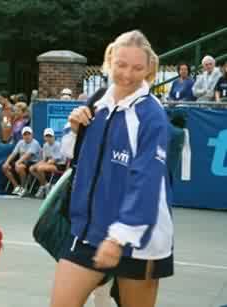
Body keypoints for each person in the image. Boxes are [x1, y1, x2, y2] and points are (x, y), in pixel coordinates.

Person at [50, 30, 174, 307]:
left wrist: (119, 238)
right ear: (109, 60)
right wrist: (73, 130)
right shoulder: (97, 101)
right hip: (87, 232)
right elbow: (73, 158)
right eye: (121, 64)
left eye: (137, 68)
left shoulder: (151, 114)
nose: (128, 75)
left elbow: (147, 181)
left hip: (139, 239)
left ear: (149, 69)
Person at [2, 126, 41, 196]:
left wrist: (18, 162)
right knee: (4, 167)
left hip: (33, 163)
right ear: (22, 136)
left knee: (20, 167)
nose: (27, 136)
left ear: (32, 135)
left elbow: (28, 155)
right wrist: (6, 162)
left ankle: (24, 188)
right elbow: (13, 153)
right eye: (25, 134)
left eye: (28, 134)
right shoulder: (20, 142)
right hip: (22, 162)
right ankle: (16, 186)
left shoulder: (35, 143)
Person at [30, 128, 66, 199]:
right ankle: (45, 185)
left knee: (40, 168)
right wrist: (36, 165)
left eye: (50, 136)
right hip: (49, 163)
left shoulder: (58, 145)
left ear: (53, 137)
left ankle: (46, 187)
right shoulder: (45, 145)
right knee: (32, 168)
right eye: (47, 136)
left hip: (59, 165)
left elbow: (54, 160)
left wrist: (42, 164)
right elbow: (44, 159)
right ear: (44, 137)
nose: (48, 138)